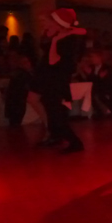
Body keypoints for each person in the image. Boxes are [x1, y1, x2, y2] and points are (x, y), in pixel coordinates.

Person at [35, 8, 86, 153]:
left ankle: (75, 143)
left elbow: (53, 61)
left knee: (56, 112)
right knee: (52, 109)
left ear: (58, 23)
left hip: (58, 79)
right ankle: (59, 137)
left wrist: (55, 40)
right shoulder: (61, 36)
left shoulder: (67, 39)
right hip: (53, 77)